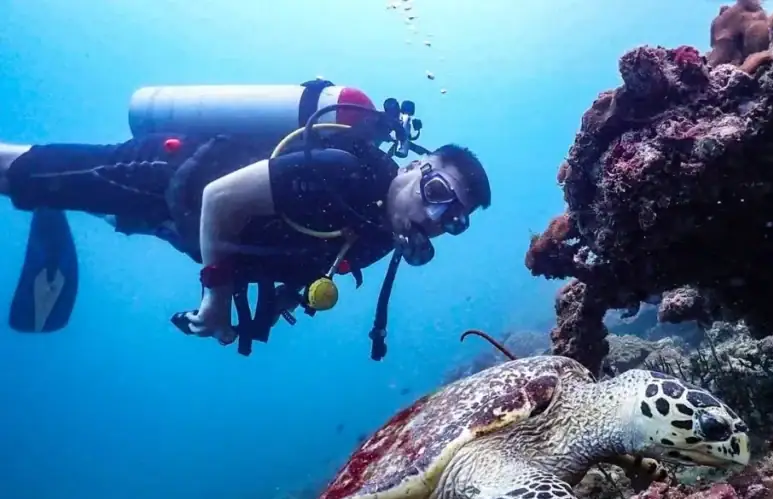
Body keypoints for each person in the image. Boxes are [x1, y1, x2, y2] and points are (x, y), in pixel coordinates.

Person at [0, 81, 491, 358]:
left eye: (454, 219)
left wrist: (274, 303)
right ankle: (37, 187)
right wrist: (216, 298)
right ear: (411, 167)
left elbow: (304, 259)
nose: (434, 216)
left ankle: (54, 207)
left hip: (184, 227)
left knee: (82, 199)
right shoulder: (342, 168)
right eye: (436, 193)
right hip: (169, 176)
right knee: (33, 173)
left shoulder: (380, 231)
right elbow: (220, 198)